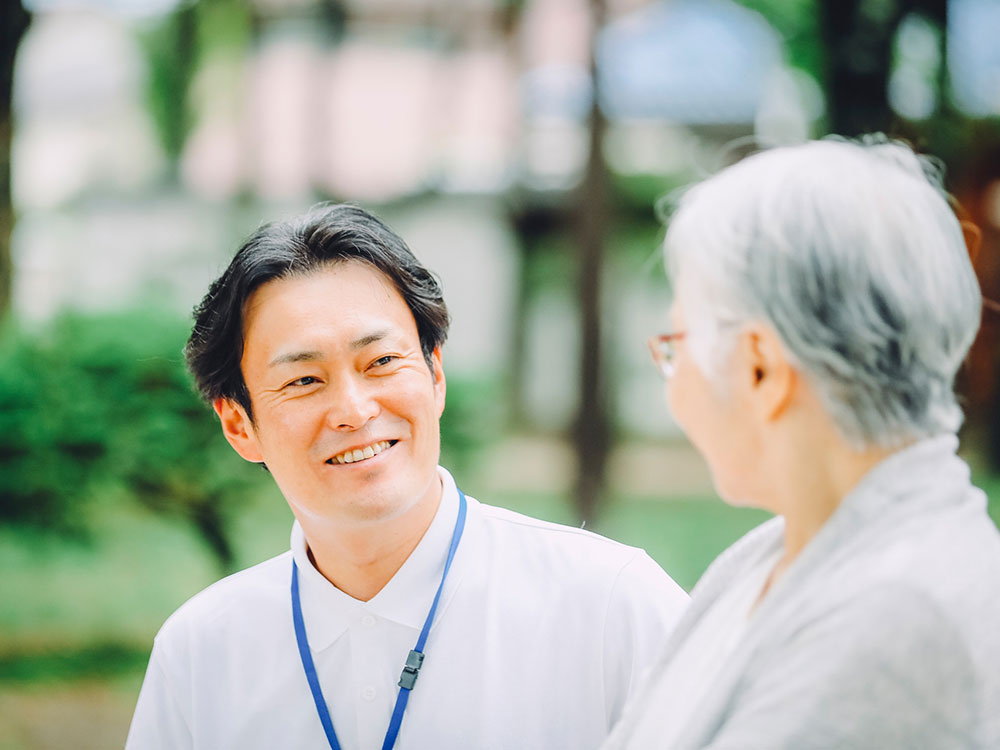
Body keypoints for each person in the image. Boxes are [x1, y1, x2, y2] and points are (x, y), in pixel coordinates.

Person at [125, 204, 688, 750]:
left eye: (382, 362)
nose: (354, 409)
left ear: (435, 374)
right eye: (303, 381)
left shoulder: (612, 605)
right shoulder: (199, 654)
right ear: (238, 424)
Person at [604, 136, 1000, 749]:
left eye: (676, 346)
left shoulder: (897, 619)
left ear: (760, 366)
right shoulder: (777, 552)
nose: (674, 384)